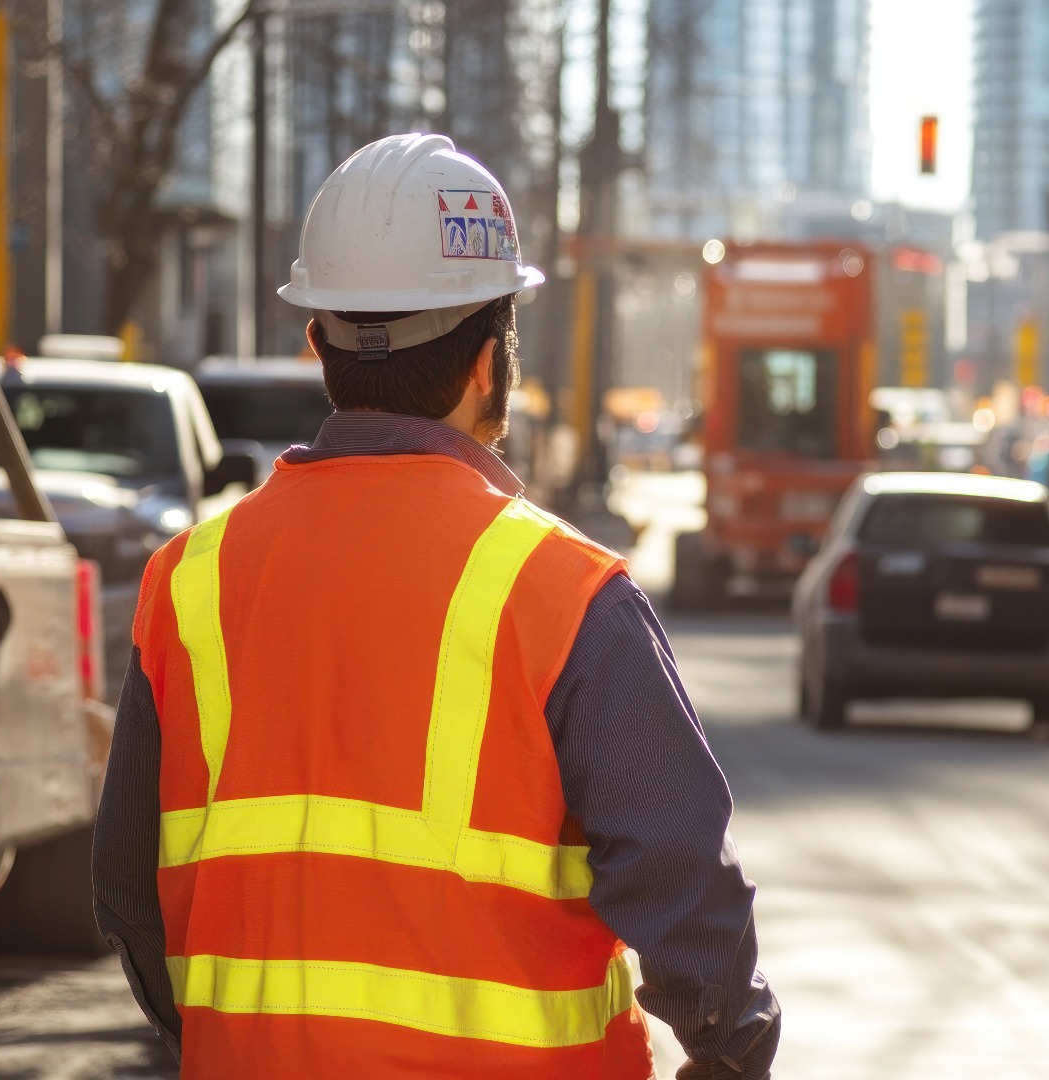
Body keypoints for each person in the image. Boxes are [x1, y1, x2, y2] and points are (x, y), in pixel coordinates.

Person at [92, 134, 779, 1079]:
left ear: (317, 344)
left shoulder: (188, 580)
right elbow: (681, 883)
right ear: (491, 363)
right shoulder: (565, 591)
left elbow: (128, 889)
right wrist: (732, 1050)